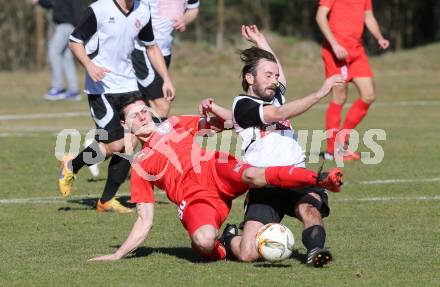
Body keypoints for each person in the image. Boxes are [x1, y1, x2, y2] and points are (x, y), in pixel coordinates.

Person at [89, 94, 343, 261]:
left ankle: (319, 179)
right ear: (126, 125)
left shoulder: (175, 123)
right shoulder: (141, 166)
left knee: (254, 175)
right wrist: (118, 254)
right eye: (135, 115)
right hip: (196, 199)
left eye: (144, 110)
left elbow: (222, 125)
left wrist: (214, 111)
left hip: (215, 169)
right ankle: (226, 241)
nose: (142, 116)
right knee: (203, 241)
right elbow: (145, 219)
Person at [198, 25, 344, 267]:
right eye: (268, 76)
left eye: (275, 77)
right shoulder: (243, 105)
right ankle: (230, 238)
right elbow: (278, 113)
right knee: (247, 254)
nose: (275, 81)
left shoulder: (273, 93)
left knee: (310, 210)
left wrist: (261, 40)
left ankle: (316, 250)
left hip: (296, 174)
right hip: (265, 182)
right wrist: (319, 93)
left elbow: (278, 74)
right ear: (249, 78)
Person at [58, 0, 175, 213]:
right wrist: (89, 65)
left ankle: (106, 200)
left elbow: (151, 46)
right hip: (100, 89)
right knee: (115, 146)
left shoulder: (142, 9)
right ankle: (72, 165)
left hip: (129, 85)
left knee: (132, 140)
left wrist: (166, 78)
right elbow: (75, 41)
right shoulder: (99, 9)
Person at [315, 0, 390, 161]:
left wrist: (379, 38)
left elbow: (368, 17)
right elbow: (320, 16)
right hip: (335, 51)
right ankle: (332, 150)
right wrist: (334, 44)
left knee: (369, 95)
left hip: (356, 51)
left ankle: (342, 138)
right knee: (340, 97)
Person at [132, 0, 199, 121]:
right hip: (143, 50)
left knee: (143, 108)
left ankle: (132, 137)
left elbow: (193, 9)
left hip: (164, 51)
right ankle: (158, 140)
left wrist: (184, 20)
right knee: (161, 105)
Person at [31, 0, 82, 101]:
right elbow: (51, 3)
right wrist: (39, 2)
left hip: (67, 25)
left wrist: (77, 28)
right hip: (62, 25)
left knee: (53, 52)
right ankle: (74, 91)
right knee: (66, 57)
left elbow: (77, 9)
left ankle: (58, 88)